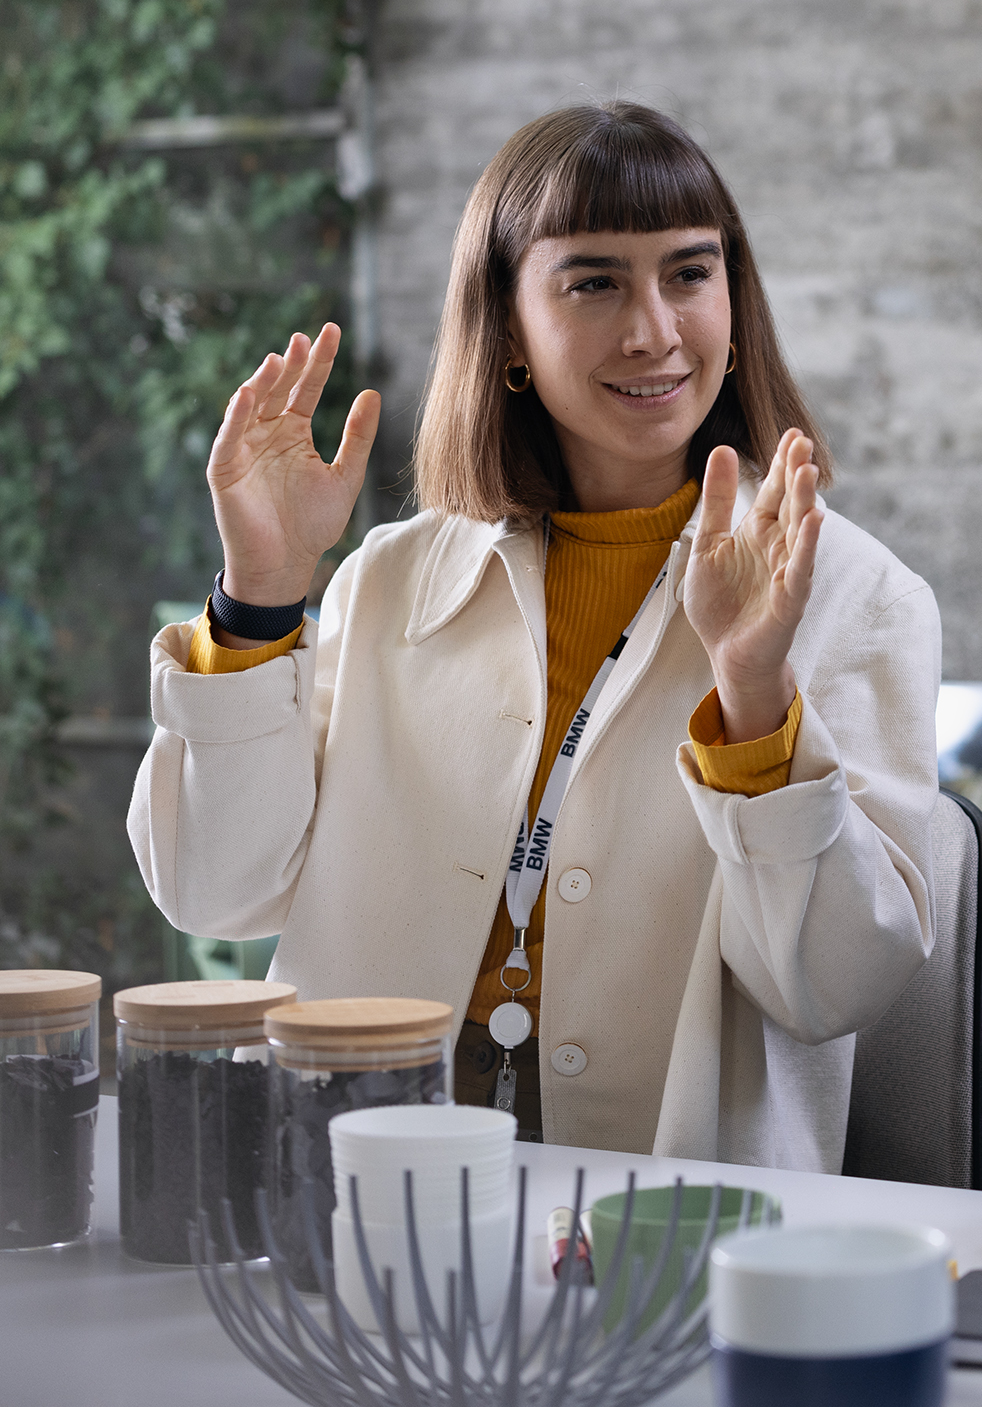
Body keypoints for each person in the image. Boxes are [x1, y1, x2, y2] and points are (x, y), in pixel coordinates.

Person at [128, 101, 940, 1172]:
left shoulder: (854, 597)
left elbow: (837, 987)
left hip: (663, 1198)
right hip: (356, 1159)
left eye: (689, 274)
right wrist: (262, 599)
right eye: (594, 282)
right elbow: (214, 891)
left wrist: (755, 698)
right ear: (507, 327)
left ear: (733, 302)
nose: (654, 330)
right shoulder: (390, 581)